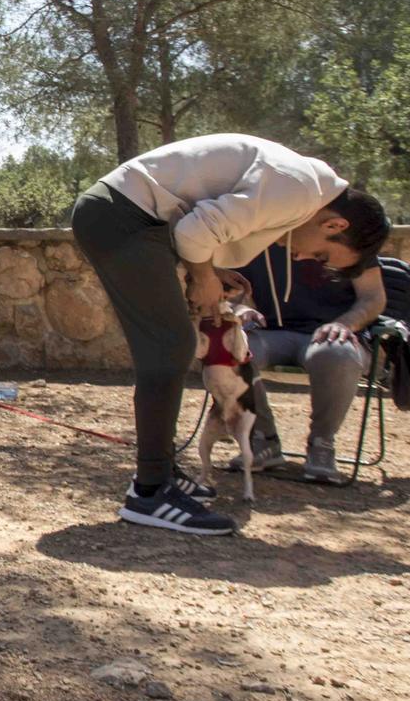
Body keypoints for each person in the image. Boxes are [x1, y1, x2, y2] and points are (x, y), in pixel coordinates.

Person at [69, 133, 390, 535]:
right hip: (123, 218)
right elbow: (191, 232)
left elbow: (196, 220)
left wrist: (211, 271)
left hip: (131, 217)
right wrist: (202, 276)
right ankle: (150, 492)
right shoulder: (298, 189)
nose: (307, 259)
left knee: (171, 345)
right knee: (169, 346)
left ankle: (162, 474)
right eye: (323, 254)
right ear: (334, 224)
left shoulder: (302, 183)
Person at [224, 243, 386, 485]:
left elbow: (373, 297)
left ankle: (322, 443)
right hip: (273, 333)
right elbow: (232, 296)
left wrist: (345, 324)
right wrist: (240, 308)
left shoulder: (344, 233)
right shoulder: (252, 237)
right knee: (228, 349)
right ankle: (262, 440)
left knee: (336, 353)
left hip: (334, 334)